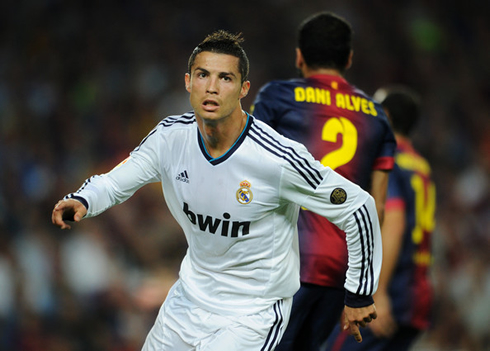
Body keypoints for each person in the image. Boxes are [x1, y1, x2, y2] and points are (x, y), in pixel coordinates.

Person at [52, 30, 381, 351]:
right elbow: (116, 180)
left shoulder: (276, 159)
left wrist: (359, 293)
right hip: (188, 300)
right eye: (203, 75)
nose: (212, 87)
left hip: (252, 314)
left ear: (243, 89)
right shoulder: (170, 139)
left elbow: (358, 207)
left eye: (225, 78)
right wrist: (84, 199)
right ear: (188, 82)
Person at [251, 12, 396, 350]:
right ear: (348, 58)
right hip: (340, 271)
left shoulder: (276, 98)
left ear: (299, 55)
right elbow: (377, 209)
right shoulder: (377, 117)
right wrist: (360, 288)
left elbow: (251, 170)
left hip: (283, 261)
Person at [325, 85, 436, 351]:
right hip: (417, 293)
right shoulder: (420, 165)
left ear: (384, 114)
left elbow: (394, 222)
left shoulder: (391, 161)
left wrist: (377, 292)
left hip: (391, 290)